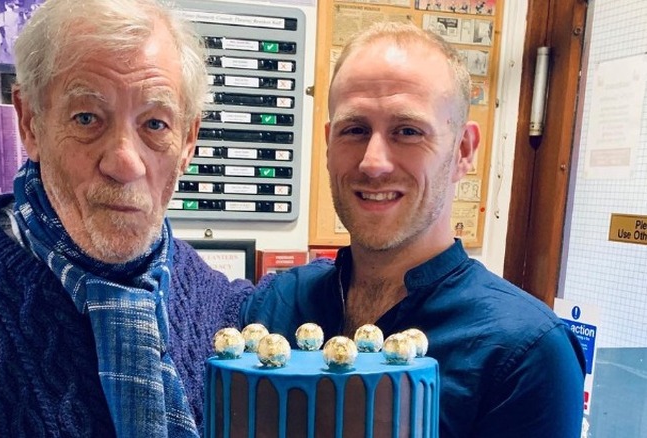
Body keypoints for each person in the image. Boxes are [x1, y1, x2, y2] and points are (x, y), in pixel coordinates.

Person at [0, 0, 253, 436]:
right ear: (31, 124)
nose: (125, 162)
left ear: (188, 141)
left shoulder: (221, 309)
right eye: (87, 117)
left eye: (155, 124)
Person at [242, 22, 585, 437]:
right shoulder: (278, 305)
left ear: (463, 151)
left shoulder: (524, 352)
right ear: (330, 144)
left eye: (407, 131)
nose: (374, 163)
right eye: (355, 130)